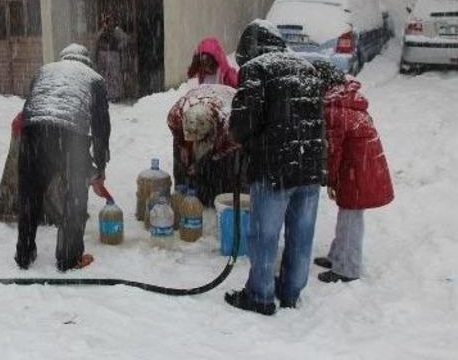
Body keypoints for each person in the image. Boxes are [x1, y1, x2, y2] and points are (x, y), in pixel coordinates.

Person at [224, 20, 325, 316]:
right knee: (301, 233)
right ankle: (291, 291)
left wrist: (237, 133)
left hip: (274, 168)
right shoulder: (306, 68)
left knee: (264, 235)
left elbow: (244, 122)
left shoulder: (258, 69)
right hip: (309, 167)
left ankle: (260, 296)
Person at [16, 44, 111, 272]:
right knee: (75, 197)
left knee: (30, 195)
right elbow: (101, 128)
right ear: (86, 61)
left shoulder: (44, 70)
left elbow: (32, 106)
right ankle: (69, 258)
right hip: (70, 136)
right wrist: (99, 167)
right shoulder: (93, 79)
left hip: (32, 134)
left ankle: (24, 253)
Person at [310, 59, 394, 283]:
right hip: (363, 168)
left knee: (350, 220)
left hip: (357, 172)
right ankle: (337, 256)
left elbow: (333, 152)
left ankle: (347, 268)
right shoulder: (346, 100)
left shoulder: (335, 110)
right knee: (347, 216)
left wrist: (329, 179)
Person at [167, 84, 240, 207]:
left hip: (225, 99)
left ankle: (217, 196)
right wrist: (185, 154)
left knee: (222, 164)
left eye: (197, 135)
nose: (193, 138)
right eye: (189, 133)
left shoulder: (229, 126)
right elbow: (180, 141)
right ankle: (183, 194)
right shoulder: (175, 117)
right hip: (200, 96)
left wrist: (202, 164)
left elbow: (221, 151)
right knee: (183, 160)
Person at [94, 13, 127, 101]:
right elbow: (96, 41)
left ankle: (115, 95)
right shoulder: (102, 31)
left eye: (112, 21)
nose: (110, 23)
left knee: (115, 75)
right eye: (109, 21)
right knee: (106, 75)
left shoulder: (117, 30)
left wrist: (119, 46)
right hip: (104, 54)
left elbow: (124, 39)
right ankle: (107, 94)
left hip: (113, 54)